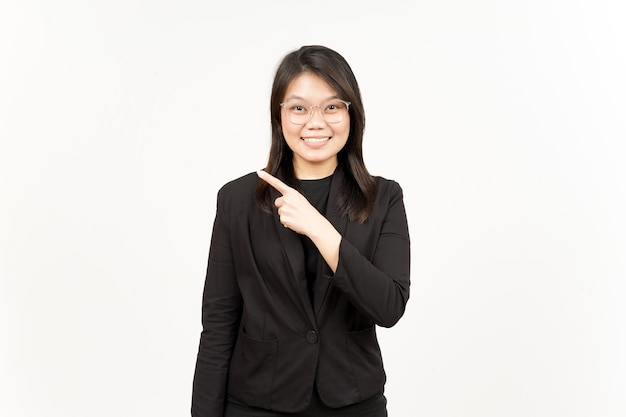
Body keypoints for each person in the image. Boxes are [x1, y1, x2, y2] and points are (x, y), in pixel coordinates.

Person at [191, 45, 411, 417]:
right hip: (257, 403)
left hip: (352, 403)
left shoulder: (383, 197)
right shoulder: (237, 199)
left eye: (332, 106)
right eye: (298, 107)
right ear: (279, 116)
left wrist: (322, 231)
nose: (315, 122)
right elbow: (218, 326)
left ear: (351, 114)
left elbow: (389, 307)